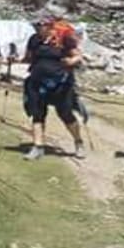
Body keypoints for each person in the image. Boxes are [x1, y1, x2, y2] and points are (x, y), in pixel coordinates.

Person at [20, 16, 86, 161]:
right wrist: (14, 59)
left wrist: (70, 61)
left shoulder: (63, 38)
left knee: (65, 114)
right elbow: (29, 57)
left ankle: (78, 142)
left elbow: (78, 56)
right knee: (37, 114)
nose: (37, 28)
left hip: (61, 83)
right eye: (36, 26)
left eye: (40, 26)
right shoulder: (34, 40)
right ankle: (38, 147)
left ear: (50, 26)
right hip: (37, 82)